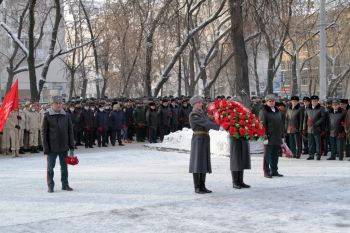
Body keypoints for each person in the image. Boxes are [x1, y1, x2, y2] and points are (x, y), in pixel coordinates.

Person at [41, 96, 75, 193]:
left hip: (64, 146)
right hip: (52, 148)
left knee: (64, 168)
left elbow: (70, 132)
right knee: (50, 168)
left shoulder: (66, 115)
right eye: (56, 103)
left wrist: (71, 146)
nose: (59, 105)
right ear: (52, 104)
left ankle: (65, 184)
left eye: (60, 103)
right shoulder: (47, 116)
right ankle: (50, 185)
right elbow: (44, 133)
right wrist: (46, 147)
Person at [189, 95, 220, 194]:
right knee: (197, 162)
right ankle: (197, 187)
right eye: (199, 102)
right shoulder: (194, 114)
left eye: (201, 102)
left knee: (204, 162)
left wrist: (219, 119)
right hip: (198, 139)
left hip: (205, 138)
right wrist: (218, 126)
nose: (201, 104)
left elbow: (209, 120)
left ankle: (202, 186)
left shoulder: (202, 113)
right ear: (194, 104)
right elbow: (205, 123)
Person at [259, 94, 284, 178]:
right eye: (270, 101)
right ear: (266, 102)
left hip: (277, 136)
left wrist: (282, 135)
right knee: (267, 155)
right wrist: (264, 137)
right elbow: (261, 125)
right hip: (268, 137)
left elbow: (280, 124)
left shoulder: (277, 111)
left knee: (275, 155)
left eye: (273, 101)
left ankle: (274, 170)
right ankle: (266, 171)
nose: (272, 102)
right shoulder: (264, 111)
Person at [303, 95, 326, 160]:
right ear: (311, 101)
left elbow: (323, 117)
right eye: (313, 101)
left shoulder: (321, 108)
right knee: (310, 143)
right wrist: (304, 128)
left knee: (318, 143)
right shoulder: (308, 108)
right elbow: (305, 118)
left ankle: (318, 155)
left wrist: (316, 123)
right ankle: (311, 155)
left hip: (317, 128)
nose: (314, 102)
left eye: (315, 101)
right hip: (309, 128)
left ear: (317, 101)